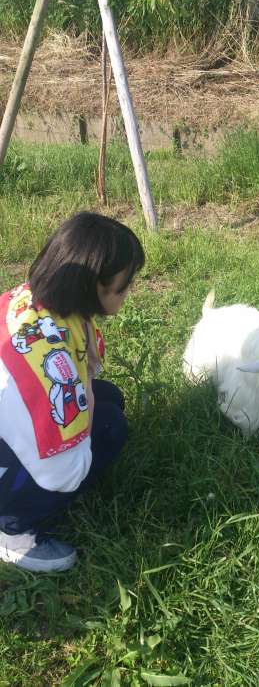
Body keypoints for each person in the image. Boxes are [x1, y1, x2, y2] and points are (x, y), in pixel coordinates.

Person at [0, 212, 144, 572]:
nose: (128, 293)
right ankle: (14, 527)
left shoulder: (33, 301)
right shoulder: (49, 373)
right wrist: (87, 412)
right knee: (109, 427)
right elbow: (65, 473)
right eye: (124, 286)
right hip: (19, 432)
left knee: (110, 399)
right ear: (95, 285)